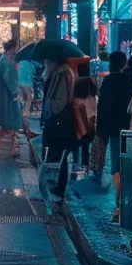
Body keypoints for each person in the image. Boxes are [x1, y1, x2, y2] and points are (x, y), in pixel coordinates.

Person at [95, 49, 132, 222]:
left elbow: (103, 107)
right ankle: (126, 201)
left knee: (116, 166)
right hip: (130, 128)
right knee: (128, 163)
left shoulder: (108, 81)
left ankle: (118, 204)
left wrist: (100, 130)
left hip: (113, 130)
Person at [40, 55, 81, 201]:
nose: (45, 62)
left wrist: (48, 112)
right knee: (59, 156)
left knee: (57, 157)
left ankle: (57, 191)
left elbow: (60, 101)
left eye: (47, 60)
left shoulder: (61, 74)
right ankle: (57, 189)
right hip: (64, 122)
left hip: (59, 122)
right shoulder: (64, 72)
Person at [0, 39, 23, 157]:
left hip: (7, 97)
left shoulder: (6, 60)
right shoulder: (7, 62)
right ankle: (14, 149)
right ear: (12, 48)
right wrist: (15, 93)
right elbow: (9, 79)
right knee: (11, 123)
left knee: (8, 124)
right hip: (8, 98)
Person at [72, 60, 98, 173]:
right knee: (86, 145)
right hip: (90, 117)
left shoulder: (75, 81)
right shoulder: (91, 82)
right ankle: (85, 165)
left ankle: (75, 162)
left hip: (77, 116)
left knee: (75, 142)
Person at [18, 54, 36, 128]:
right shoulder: (27, 64)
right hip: (26, 84)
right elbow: (31, 73)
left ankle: (24, 118)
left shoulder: (23, 63)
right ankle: (25, 117)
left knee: (25, 100)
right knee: (27, 99)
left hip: (23, 84)